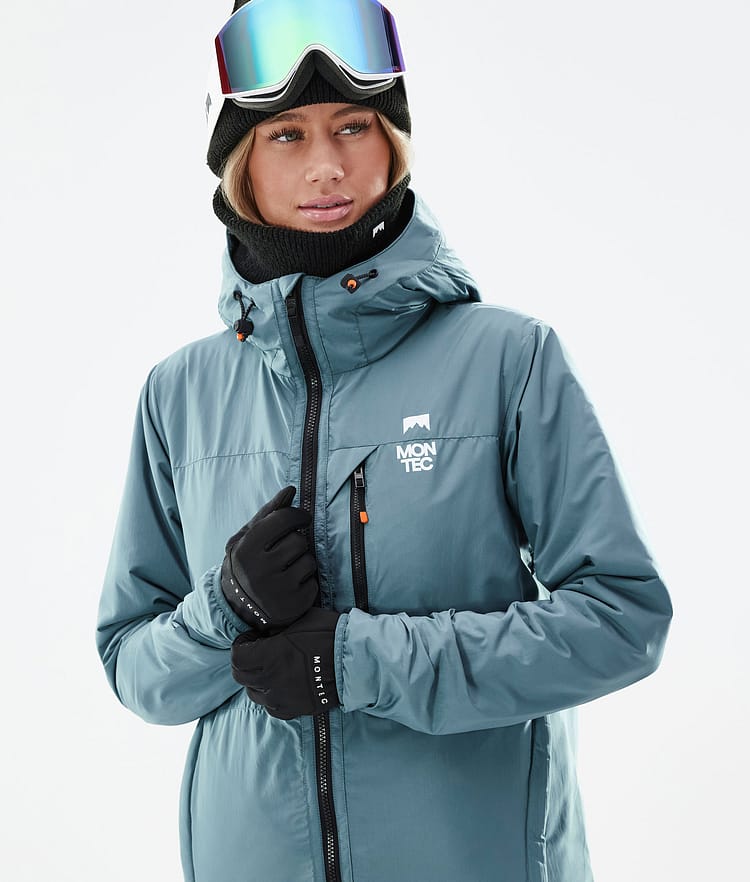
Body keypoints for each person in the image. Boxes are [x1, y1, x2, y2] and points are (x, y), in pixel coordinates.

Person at [95, 1, 673, 880]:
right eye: (286, 134)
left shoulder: (507, 360)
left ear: (391, 141)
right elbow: (136, 669)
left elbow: (621, 620)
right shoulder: (179, 392)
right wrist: (225, 608)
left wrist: (354, 664)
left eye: (353, 126)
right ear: (240, 162)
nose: (327, 165)